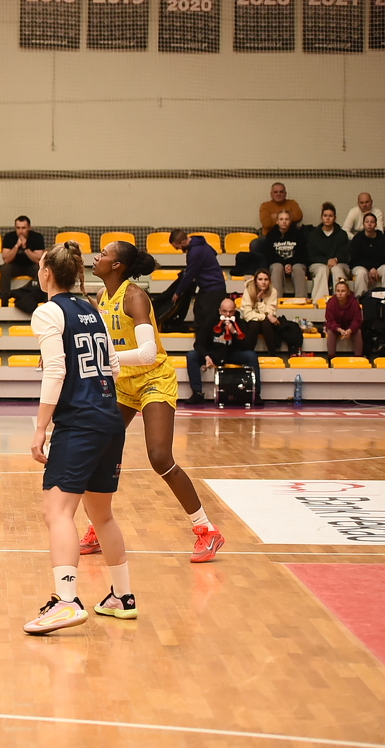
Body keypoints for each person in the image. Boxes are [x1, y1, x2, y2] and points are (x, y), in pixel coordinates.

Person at [24, 242, 135, 635]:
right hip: (109, 418)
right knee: (101, 515)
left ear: (47, 273)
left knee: (57, 512)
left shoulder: (47, 312)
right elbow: (114, 367)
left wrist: (41, 427)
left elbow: (55, 371)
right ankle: (122, 597)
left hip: (80, 423)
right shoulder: (93, 308)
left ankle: (67, 601)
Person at [90, 239, 225, 562]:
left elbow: (148, 354)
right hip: (125, 382)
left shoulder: (134, 296)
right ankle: (98, 528)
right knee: (97, 450)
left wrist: (108, 359)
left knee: (160, 457)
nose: (97, 256)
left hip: (153, 379)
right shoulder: (102, 296)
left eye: (104, 253)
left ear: (117, 265)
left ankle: (207, 530)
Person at [184, 296, 261, 407]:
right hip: (213, 353)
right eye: (224, 311)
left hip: (232, 354)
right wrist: (206, 356)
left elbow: (247, 346)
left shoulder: (239, 321)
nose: (227, 315)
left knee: (251, 355)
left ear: (235, 311)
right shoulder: (210, 320)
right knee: (192, 355)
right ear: (220, 311)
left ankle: (256, 393)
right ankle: (197, 393)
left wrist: (234, 332)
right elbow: (198, 344)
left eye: (231, 312)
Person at [164, 229, 227, 330]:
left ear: (183, 242)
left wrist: (178, 293)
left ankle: (205, 338)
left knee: (207, 319)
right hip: (210, 286)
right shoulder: (201, 243)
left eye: (178, 247)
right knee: (198, 309)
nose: (179, 249)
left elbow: (189, 274)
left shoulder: (195, 252)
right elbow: (214, 253)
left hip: (213, 288)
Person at [239, 268, 303, 356]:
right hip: (251, 322)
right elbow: (247, 314)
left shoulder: (273, 292)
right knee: (255, 324)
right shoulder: (248, 291)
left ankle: (272, 354)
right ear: (255, 281)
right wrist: (266, 316)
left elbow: (271, 311)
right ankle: (248, 354)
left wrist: (259, 302)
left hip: (266, 323)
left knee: (265, 324)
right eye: (260, 279)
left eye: (266, 279)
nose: (263, 282)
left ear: (269, 281)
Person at [306, 202, 351, 301]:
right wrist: (326, 261)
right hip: (319, 264)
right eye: (325, 216)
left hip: (339, 263)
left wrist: (336, 259)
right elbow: (311, 255)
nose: (327, 218)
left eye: (330, 216)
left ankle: (341, 302)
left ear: (335, 218)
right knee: (323, 269)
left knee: (336, 269)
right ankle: (320, 302)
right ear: (321, 217)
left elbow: (345, 253)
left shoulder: (342, 234)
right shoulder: (313, 234)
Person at [260, 211, 309, 298]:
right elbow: (270, 255)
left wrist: (291, 264)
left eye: (287, 219)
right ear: (277, 221)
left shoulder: (298, 234)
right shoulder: (271, 235)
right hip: (278, 264)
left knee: (297, 268)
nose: (284, 222)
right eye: (281, 219)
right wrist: (284, 264)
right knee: (277, 267)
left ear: (290, 221)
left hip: (295, 263)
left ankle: (301, 299)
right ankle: (275, 300)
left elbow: (302, 253)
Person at [0, 215, 45, 306]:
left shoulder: (37, 237)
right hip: (15, 266)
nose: (20, 231)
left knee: (41, 268)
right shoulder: (9, 237)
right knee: (5, 268)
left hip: (31, 266)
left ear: (29, 228)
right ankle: (4, 299)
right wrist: (16, 246)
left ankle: (37, 299)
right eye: (18, 228)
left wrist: (25, 248)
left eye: (23, 228)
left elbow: (38, 259)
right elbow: (6, 259)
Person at [349, 213, 385, 296]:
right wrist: (370, 269)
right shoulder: (358, 238)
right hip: (361, 266)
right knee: (361, 272)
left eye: (372, 222)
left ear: (376, 224)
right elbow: (355, 259)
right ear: (363, 224)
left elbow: (384, 258)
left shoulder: (382, 238)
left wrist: (373, 269)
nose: (369, 224)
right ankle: (360, 298)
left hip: (378, 267)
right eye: (367, 222)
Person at [324, 279, 363, 359]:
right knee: (330, 332)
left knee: (358, 332)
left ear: (348, 292)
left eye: (343, 291)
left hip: (350, 327)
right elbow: (330, 320)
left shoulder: (354, 302)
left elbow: (357, 320)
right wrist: (340, 330)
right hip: (336, 327)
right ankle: (331, 358)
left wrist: (349, 330)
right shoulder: (331, 302)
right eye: (338, 291)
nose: (340, 293)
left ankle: (358, 357)